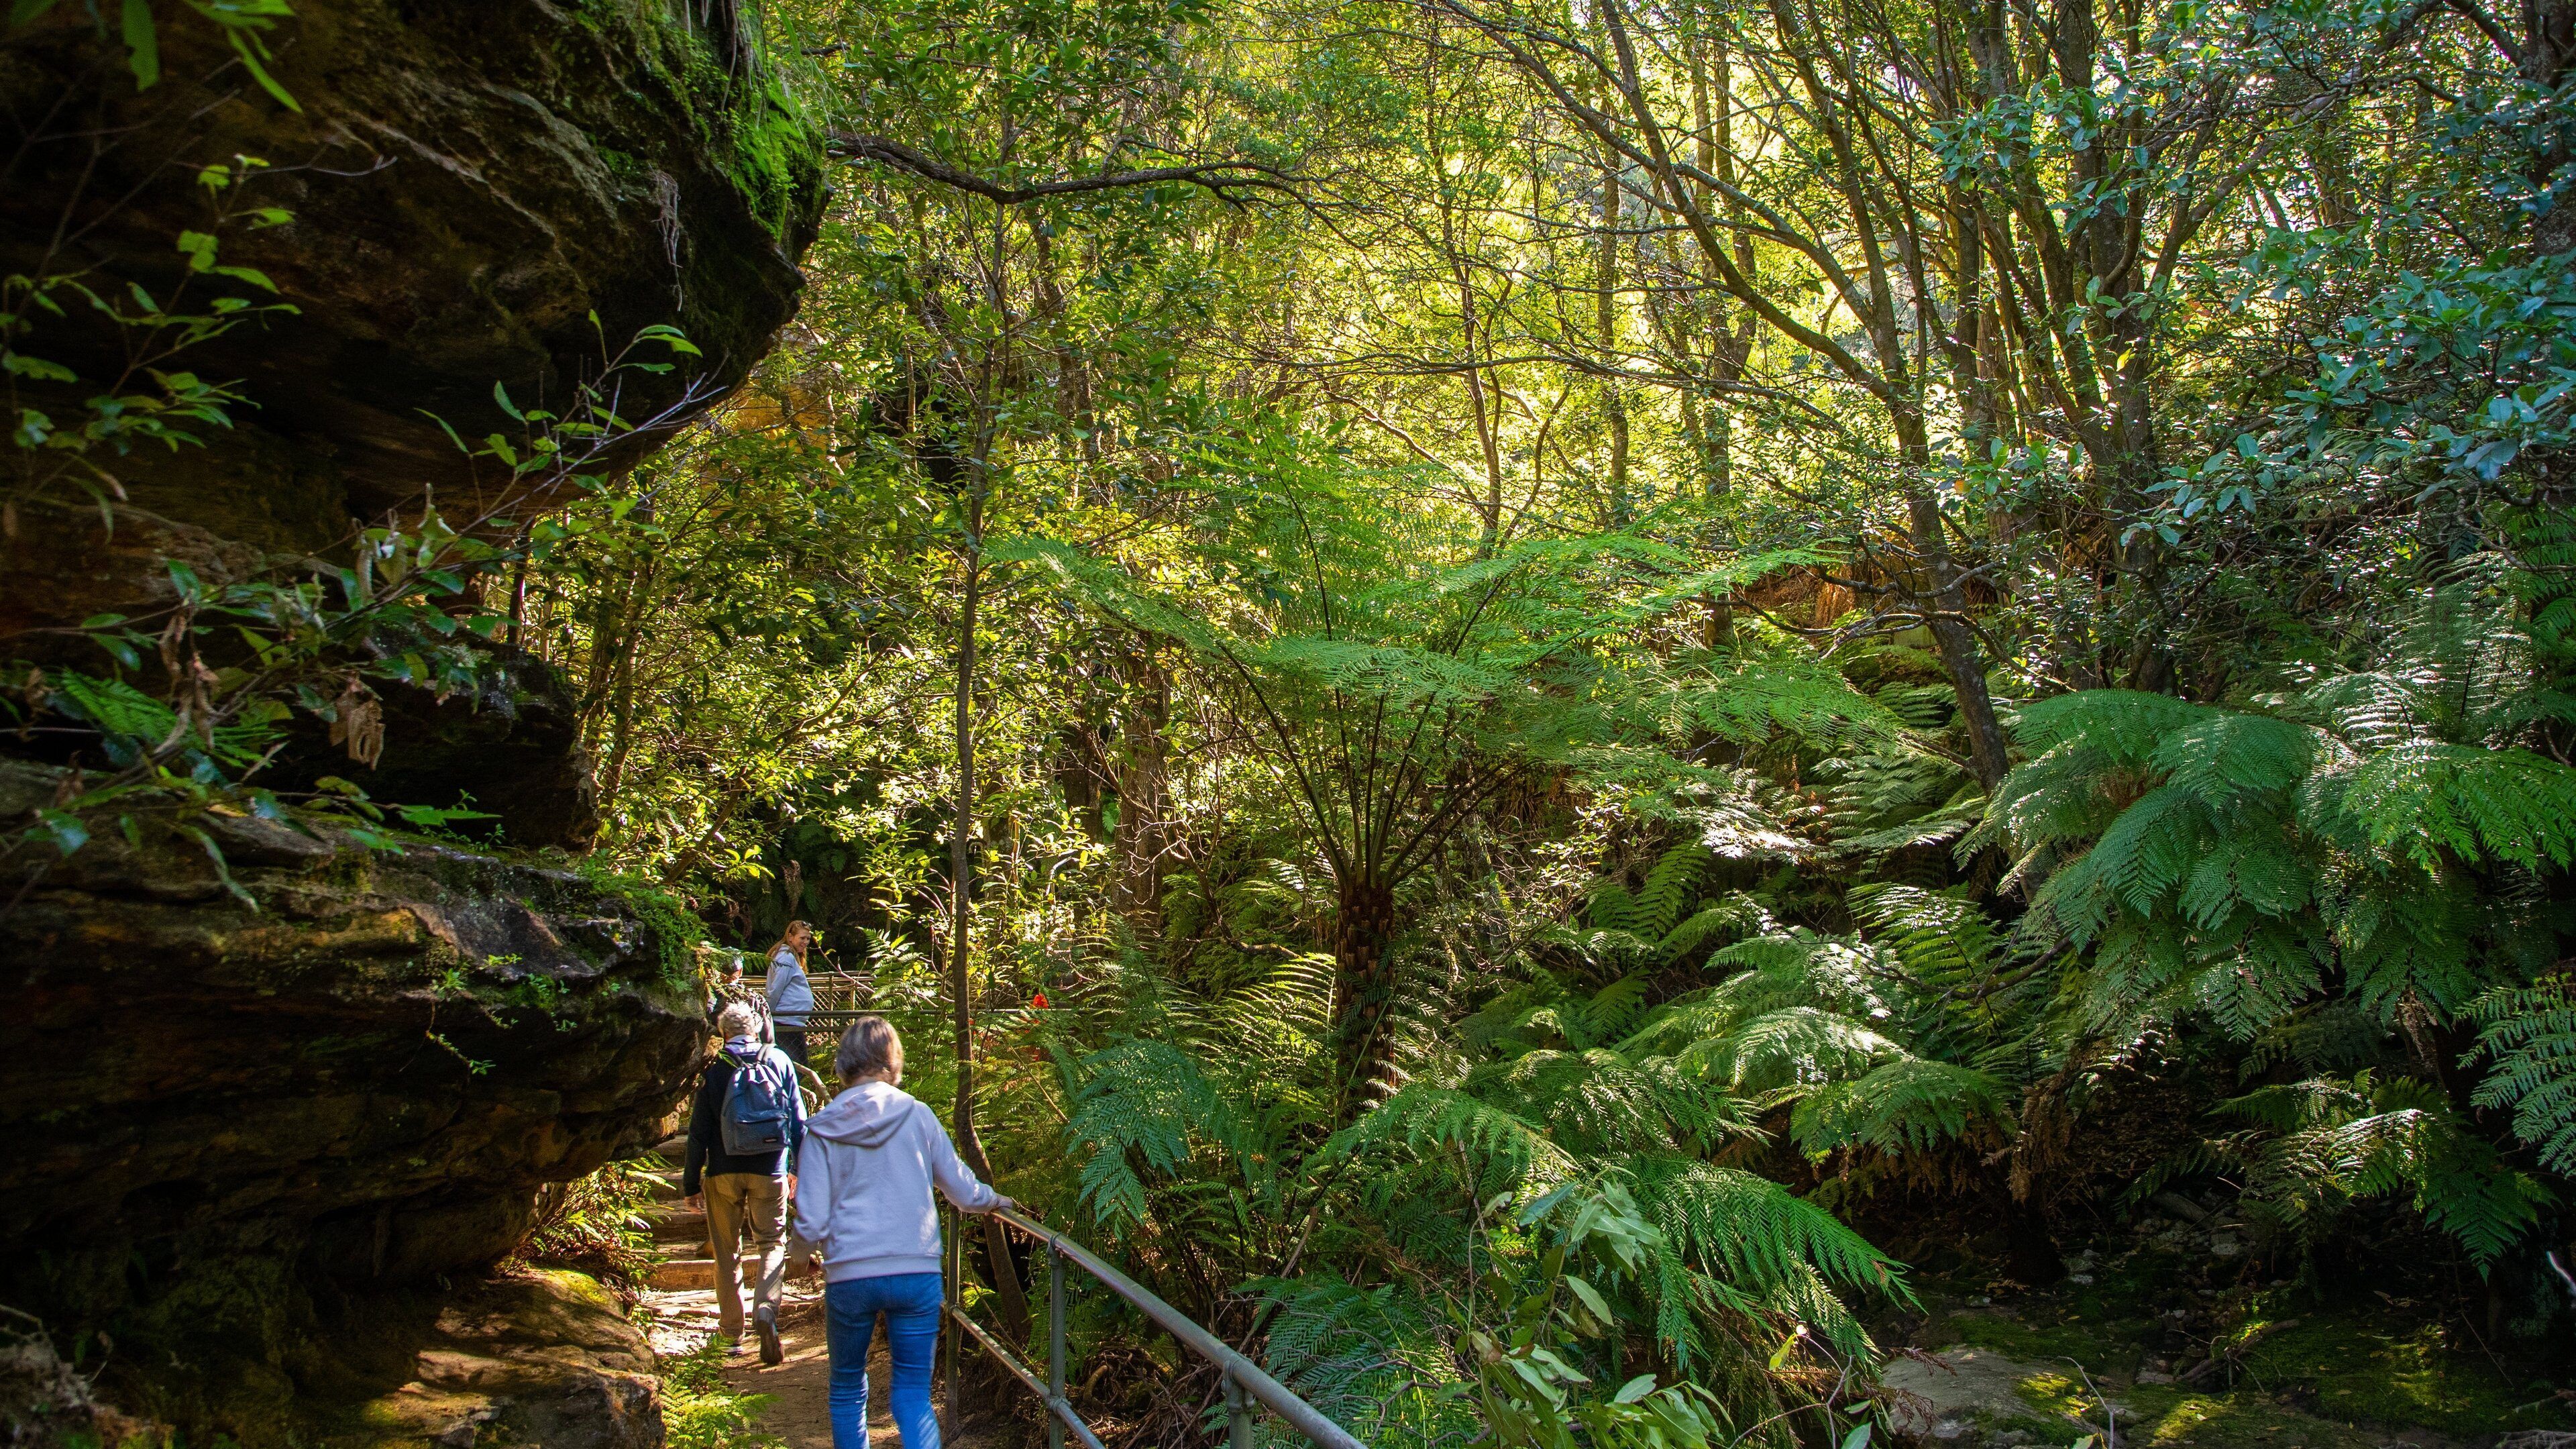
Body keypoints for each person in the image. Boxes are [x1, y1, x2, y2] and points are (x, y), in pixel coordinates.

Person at [790, 1016, 1015, 1449]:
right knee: (913, 1394)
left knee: (846, 1389)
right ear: (892, 1062)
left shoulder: (821, 1128)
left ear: (843, 1064)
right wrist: (995, 1200)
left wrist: (799, 1257)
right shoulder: (917, 1115)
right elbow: (961, 1191)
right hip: (916, 1271)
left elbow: (812, 1217)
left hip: (849, 1275)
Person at [681, 1002, 807, 1364]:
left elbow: (698, 1132)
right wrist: (795, 1167)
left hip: (722, 1171)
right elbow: (799, 1121)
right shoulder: (780, 1060)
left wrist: (691, 1184)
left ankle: (732, 1335)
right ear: (757, 1028)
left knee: (727, 1251)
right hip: (770, 1169)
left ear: (723, 1033)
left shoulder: (715, 1068)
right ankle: (765, 1311)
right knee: (771, 1244)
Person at [766, 920, 816, 1068]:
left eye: (808, 939)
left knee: (798, 1065)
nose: (806, 942)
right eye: (802, 938)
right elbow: (776, 989)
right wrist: (767, 1014)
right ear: (790, 937)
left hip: (792, 1020)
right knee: (797, 1066)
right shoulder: (786, 958)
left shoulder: (790, 957)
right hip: (785, 1020)